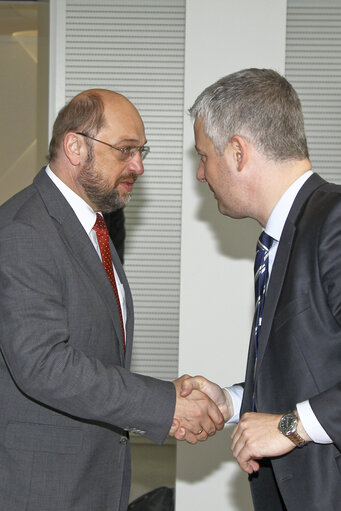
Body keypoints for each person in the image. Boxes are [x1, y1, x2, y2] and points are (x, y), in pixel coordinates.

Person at [0, 89, 228, 511]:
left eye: (142, 151)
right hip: (44, 488)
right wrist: (163, 404)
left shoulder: (92, 226)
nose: (138, 166)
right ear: (75, 147)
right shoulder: (25, 231)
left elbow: (92, 351)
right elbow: (43, 364)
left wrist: (164, 394)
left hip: (92, 481)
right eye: (125, 150)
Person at [180, 68, 341, 511]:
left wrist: (290, 427)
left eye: (203, 155)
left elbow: (292, 417)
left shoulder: (334, 224)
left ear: (237, 153)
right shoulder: (280, 236)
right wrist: (234, 400)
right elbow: (311, 366)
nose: (200, 174)